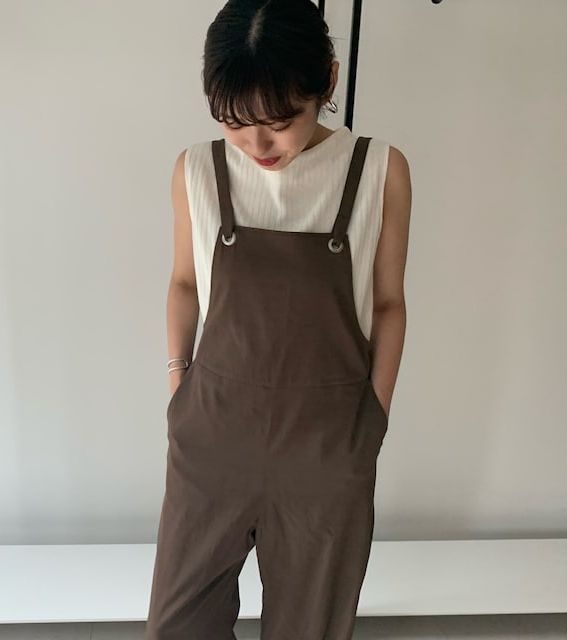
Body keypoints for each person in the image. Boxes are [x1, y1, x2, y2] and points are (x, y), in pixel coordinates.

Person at [146, 0, 411, 638]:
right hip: (211, 436)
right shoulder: (197, 169)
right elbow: (184, 284)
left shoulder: (378, 170)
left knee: (310, 626)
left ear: (329, 80)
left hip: (327, 446)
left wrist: (369, 424)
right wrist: (180, 391)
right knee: (178, 626)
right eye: (235, 123)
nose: (257, 146)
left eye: (280, 122)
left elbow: (388, 305)